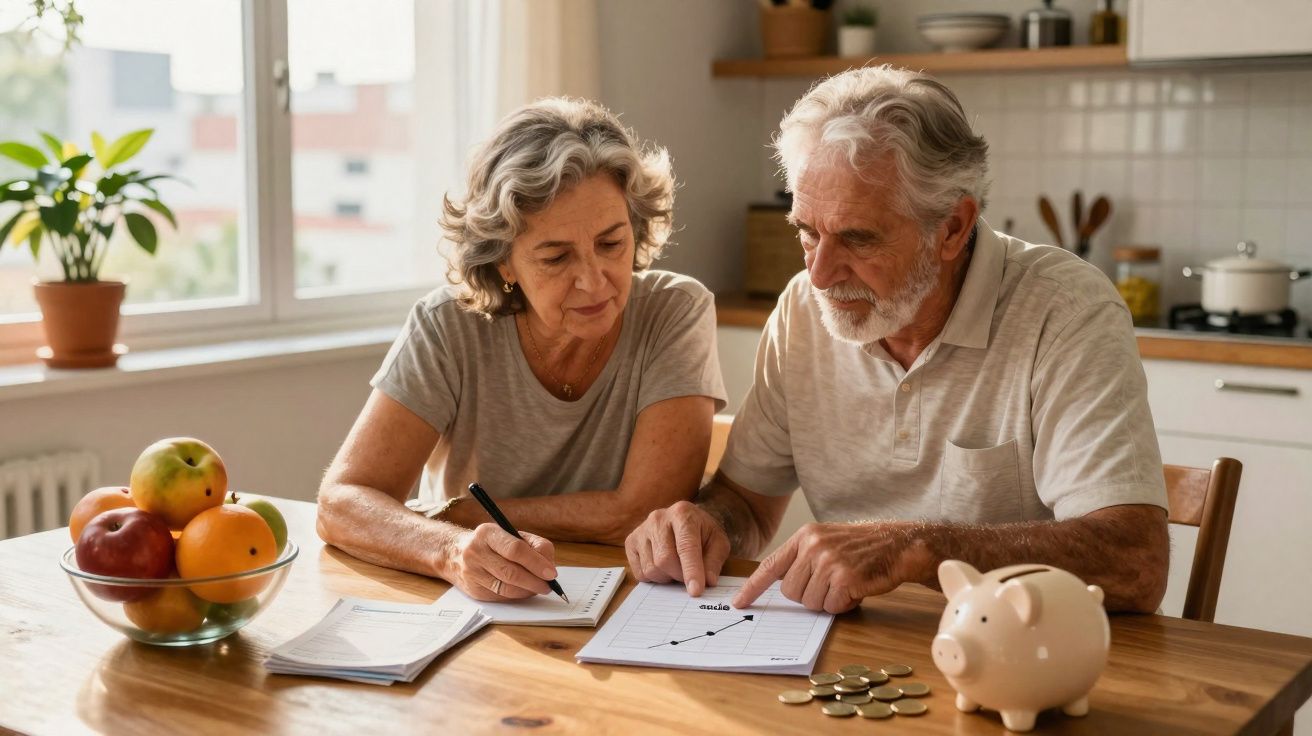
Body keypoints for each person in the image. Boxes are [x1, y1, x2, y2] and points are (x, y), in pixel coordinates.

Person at [625, 66, 1169, 614]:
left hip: (1029, 656)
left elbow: (1135, 561)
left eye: (857, 239)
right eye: (807, 232)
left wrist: (917, 549)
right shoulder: (802, 307)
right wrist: (703, 527)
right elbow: (746, 501)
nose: (819, 274)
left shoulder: (1066, 309)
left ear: (953, 228)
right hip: (854, 655)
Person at [319, 98, 726, 602]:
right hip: (477, 602)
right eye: (556, 257)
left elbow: (643, 510)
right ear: (504, 263)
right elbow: (341, 502)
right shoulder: (447, 325)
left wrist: (466, 514)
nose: (594, 281)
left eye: (611, 244)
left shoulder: (674, 311)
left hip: (632, 600)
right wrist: (450, 548)